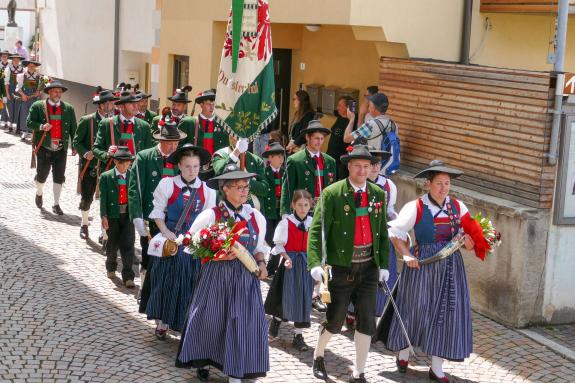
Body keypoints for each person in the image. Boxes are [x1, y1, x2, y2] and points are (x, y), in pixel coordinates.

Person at [382, 159, 474, 383]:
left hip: (451, 267)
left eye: (447, 183)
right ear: (428, 184)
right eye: (439, 183)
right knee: (414, 308)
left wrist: (472, 240)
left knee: (446, 314)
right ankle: (403, 353)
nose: (444, 188)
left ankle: (436, 367)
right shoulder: (416, 207)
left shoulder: (459, 207)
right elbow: (395, 233)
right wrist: (406, 254)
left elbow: (470, 242)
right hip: (422, 264)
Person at [176, 164, 270, 383]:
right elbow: (189, 242)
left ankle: (236, 371)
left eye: (246, 186)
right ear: (225, 189)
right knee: (211, 319)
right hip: (216, 276)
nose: (245, 191)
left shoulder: (256, 217)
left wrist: (263, 263)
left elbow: (259, 248)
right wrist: (215, 253)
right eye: (239, 187)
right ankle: (204, 359)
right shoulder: (211, 215)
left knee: (242, 322)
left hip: (246, 279)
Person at [307, 145, 390, 383]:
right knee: (335, 319)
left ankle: (359, 371)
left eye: (367, 166)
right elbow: (316, 231)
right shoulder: (332, 193)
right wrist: (314, 262)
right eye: (358, 166)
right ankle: (319, 353)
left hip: (369, 267)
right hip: (340, 267)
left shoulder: (377, 194)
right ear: (349, 167)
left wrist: (383, 264)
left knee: (366, 320)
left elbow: (382, 232)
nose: (363, 170)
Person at [146, 144, 215, 339]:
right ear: (179, 166)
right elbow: (158, 212)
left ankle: (183, 323)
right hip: (172, 239)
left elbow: (209, 218)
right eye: (187, 166)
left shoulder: (208, 190)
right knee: (166, 281)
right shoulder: (167, 184)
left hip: (194, 241)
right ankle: (162, 322)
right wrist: (166, 231)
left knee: (190, 283)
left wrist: (200, 240)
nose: (192, 171)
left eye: (195, 166)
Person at [129, 116, 187, 314]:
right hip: (151, 218)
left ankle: (168, 292)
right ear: (161, 141)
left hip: (175, 219)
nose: (173, 146)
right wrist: (137, 216)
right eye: (170, 142)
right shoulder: (145, 157)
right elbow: (135, 189)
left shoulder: (181, 161)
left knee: (173, 256)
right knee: (149, 254)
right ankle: (144, 291)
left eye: (176, 142)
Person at [345, 147, 397, 329]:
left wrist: (397, 223)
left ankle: (373, 318)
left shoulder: (389, 186)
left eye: (377, 164)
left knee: (380, 278)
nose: (374, 168)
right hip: (359, 238)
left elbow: (390, 210)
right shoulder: (355, 184)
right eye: (371, 164)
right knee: (355, 275)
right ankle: (351, 311)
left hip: (380, 237)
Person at [265, 189, 314, 351]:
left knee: (303, 299)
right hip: (289, 263)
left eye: (306, 205)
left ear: (310, 205)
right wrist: (286, 258)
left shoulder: (313, 223)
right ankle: (276, 322)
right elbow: (278, 245)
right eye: (299, 205)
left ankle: (298, 335)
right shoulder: (286, 222)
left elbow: (315, 246)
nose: (302, 208)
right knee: (285, 296)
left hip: (305, 264)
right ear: (293, 205)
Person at [73, 88, 119, 239]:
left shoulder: (114, 123)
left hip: (108, 168)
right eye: (111, 103)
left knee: (106, 202)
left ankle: (104, 233)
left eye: (113, 103)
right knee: (87, 198)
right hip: (90, 166)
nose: (113, 106)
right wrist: (86, 153)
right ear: (102, 105)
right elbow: (77, 142)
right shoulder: (88, 120)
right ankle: (84, 224)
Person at [27, 80, 77, 215]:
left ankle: (56, 203)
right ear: (49, 92)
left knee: (59, 176)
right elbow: (29, 122)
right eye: (55, 91)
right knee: (42, 175)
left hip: (61, 148)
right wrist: (41, 126)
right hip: (44, 147)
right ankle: (39, 192)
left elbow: (74, 128)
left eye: (60, 92)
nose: (58, 94)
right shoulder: (38, 106)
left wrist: (74, 146)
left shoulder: (68, 108)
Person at [280, 119, 337, 216]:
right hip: (303, 210)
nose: (319, 142)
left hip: (324, 209)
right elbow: (287, 189)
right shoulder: (295, 160)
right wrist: (285, 213)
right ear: (307, 137)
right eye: (316, 138)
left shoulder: (330, 161)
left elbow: (333, 189)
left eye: (322, 139)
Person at [99, 146, 136, 288]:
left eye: (127, 163)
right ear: (115, 162)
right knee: (112, 244)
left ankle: (128, 276)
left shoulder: (133, 175)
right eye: (121, 163)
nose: (124, 166)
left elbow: (135, 196)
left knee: (128, 245)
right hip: (113, 216)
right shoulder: (106, 176)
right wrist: (104, 216)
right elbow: (103, 198)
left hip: (128, 216)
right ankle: (111, 267)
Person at [93, 90, 154, 172]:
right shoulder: (106, 123)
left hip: (136, 173)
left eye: (136, 103)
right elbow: (96, 148)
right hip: (113, 173)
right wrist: (107, 154)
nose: (136, 106)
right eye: (131, 104)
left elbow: (149, 153)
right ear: (121, 106)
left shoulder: (144, 126)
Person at [343, 92, 399, 176]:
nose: (368, 108)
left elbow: (347, 138)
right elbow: (362, 132)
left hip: (371, 170)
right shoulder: (394, 125)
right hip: (385, 169)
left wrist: (351, 119)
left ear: (374, 108)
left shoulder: (371, 125)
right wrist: (361, 115)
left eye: (369, 106)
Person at [212, 135, 268, 210]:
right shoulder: (221, 155)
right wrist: (236, 152)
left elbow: (264, 189)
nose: (239, 140)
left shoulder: (256, 160)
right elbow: (220, 173)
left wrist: (245, 182)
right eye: (236, 136)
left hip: (254, 211)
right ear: (230, 137)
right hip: (228, 210)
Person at [261, 142, 285, 276]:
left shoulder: (284, 172)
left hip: (280, 212)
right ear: (270, 158)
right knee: (270, 238)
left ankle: (271, 268)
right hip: (268, 212)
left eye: (282, 157)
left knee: (278, 239)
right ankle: (270, 266)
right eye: (278, 157)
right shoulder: (264, 173)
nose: (281, 160)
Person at [184, 89, 228, 154]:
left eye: (213, 104)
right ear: (201, 105)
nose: (212, 107)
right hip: (196, 162)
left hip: (215, 162)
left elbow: (226, 148)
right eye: (208, 104)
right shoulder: (190, 123)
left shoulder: (222, 125)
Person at [327, 96, 356, 180]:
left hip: (341, 162)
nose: (337, 108)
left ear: (347, 108)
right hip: (331, 158)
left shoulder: (351, 123)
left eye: (340, 105)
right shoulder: (340, 118)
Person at [15, 59, 42, 139]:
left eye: (33, 65)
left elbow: (47, 84)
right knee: (24, 114)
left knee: (34, 115)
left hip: (35, 99)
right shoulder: (21, 76)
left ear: (35, 67)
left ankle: (32, 132)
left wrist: (39, 92)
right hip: (25, 98)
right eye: (29, 65)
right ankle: (24, 132)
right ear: (27, 66)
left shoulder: (39, 76)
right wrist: (23, 95)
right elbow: (18, 88)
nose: (31, 67)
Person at [286, 90, 315, 154]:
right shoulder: (298, 113)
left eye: (294, 99)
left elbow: (305, 132)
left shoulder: (308, 115)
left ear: (300, 100)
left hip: (301, 148)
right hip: (294, 147)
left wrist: (294, 144)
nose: (293, 101)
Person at [3, 53, 24, 132]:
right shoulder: (8, 69)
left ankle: (18, 126)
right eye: (14, 59)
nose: (16, 61)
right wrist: (7, 93)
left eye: (17, 59)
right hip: (11, 90)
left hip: (19, 90)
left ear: (19, 60)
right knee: (10, 107)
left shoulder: (22, 68)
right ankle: (10, 124)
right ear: (12, 60)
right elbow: (6, 82)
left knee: (18, 108)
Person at [0, 50, 11, 123]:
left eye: (6, 56)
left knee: (7, 103)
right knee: (1, 103)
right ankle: (3, 120)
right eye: (3, 56)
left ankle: (7, 120)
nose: (4, 57)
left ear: (8, 57)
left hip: (8, 87)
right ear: (0, 57)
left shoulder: (10, 65)